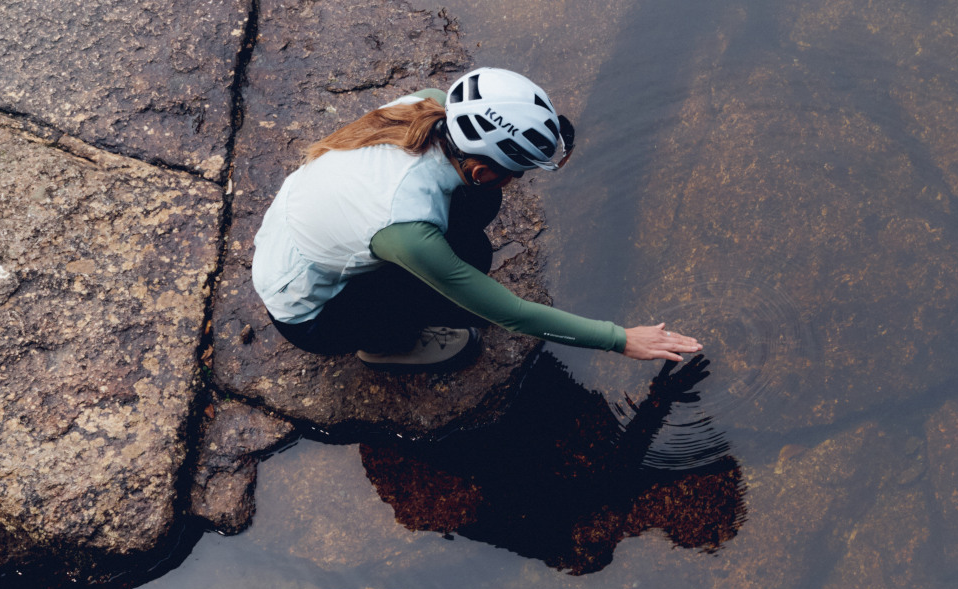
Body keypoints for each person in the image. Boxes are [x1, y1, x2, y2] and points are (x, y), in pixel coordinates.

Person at [251, 67, 701, 371]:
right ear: (483, 169)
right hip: (310, 316)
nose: (517, 182)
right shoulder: (408, 232)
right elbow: (514, 315)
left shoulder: (430, 106)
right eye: (515, 174)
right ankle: (386, 344)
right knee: (466, 287)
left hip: (301, 245)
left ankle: (391, 309)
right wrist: (620, 339)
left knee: (473, 231)